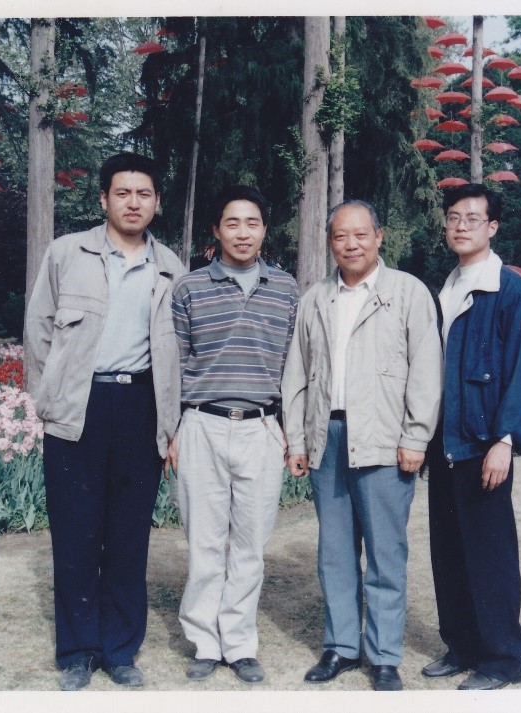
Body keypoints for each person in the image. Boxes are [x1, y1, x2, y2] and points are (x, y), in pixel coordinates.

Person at [23, 152, 184, 691]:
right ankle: (77, 650)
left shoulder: (171, 267)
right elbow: (38, 332)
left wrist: (172, 424)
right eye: (122, 193)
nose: (133, 203)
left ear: (156, 202)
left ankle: (119, 649)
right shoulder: (67, 253)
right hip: (78, 408)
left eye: (144, 194)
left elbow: (178, 352)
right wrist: (52, 398)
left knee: (128, 536)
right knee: (75, 533)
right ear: (103, 199)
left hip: (140, 407)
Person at [281, 200, 442, 692]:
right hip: (327, 438)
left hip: (385, 441)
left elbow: (426, 371)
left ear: (379, 237)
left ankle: (385, 654)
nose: (350, 244)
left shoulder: (408, 292)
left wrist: (416, 436)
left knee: (386, 553)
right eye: (339, 236)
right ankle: (341, 646)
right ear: (330, 241)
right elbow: (296, 373)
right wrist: (296, 439)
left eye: (360, 235)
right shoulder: (315, 299)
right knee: (334, 551)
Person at [170, 186, 299, 685]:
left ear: (264, 230)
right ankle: (205, 642)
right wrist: (172, 430)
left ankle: (240, 643)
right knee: (204, 544)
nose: (242, 233)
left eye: (252, 223)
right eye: (232, 223)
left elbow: (293, 367)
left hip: (262, 428)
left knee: (249, 546)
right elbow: (175, 363)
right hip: (201, 425)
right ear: (216, 230)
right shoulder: (189, 288)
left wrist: (289, 433)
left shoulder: (286, 289)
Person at [423, 183, 521, 691]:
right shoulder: (446, 287)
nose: (461, 226)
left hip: (484, 443)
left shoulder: (509, 290)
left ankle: (503, 657)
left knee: (490, 554)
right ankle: (463, 645)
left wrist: (504, 440)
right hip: (445, 442)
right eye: (453, 217)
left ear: (492, 227)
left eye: (473, 218)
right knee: (449, 550)